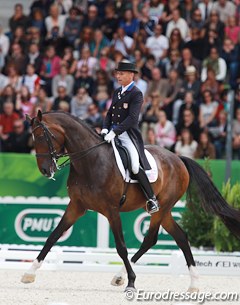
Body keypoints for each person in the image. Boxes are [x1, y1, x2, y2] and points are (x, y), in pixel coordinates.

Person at [101, 61, 159, 214]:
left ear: (131, 75)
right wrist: (105, 128)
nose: (118, 76)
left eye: (121, 73)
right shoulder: (117, 92)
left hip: (127, 135)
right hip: (112, 132)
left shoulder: (136, 93)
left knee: (134, 165)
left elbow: (132, 119)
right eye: (117, 73)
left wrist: (115, 132)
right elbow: (109, 114)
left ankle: (151, 198)